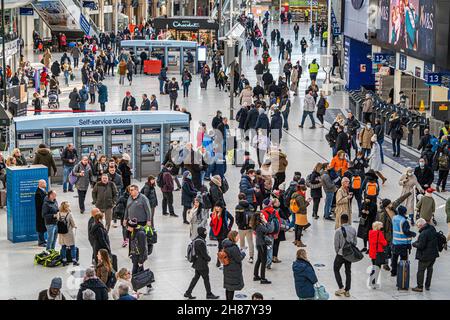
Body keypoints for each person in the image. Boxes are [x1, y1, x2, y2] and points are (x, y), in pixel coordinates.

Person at [184, 227, 220, 299]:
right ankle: (209, 294)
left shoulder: (197, 239)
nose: (206, 234)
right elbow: (204, 254)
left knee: (196, 278)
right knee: (206, 279)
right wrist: (209, 258)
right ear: (202, 233)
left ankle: (188, 292)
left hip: (197, 263)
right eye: (205, 232)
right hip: (202, 264)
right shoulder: (200, 242)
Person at [412, 218, 440, 292]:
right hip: (433, 254)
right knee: (430, 270)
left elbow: (421, 246)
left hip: (425, 256)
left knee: (421, 271)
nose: (418, 228)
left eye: (418, 226)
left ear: (421, 225)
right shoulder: (432, 228)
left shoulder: (424, 233)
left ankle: (419, 287)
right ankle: (427, 285)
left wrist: (414, 244)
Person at [127, 218, 152, 294]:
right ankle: (149, 286)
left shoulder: (140, 233)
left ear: (132, 227)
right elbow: (131, 244)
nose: (127, 228)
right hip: (134, 255)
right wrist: (130, 253)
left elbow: (143, 248)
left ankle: (134, 289)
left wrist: (141, 260)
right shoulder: (132, 232)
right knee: (141, 270)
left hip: (139, 256)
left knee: (134, 272)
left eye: (128, 227)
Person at [334, 214, 356, 297]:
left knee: (336, 269)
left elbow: (336, 244)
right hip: (349, 254)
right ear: (348, 220)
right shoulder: (353, 229)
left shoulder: (338, 231)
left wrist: (338, 252)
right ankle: (347, 290)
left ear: (341, 220)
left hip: (341, 254)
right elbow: (355, 242)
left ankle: (341, 287)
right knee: (348, 271)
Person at [390, 205, 416, 277]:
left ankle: (393, 272)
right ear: (404, 212)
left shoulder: (394, 218)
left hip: (395, 242)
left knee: (394, 258)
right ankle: (402, 272)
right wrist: (413, 234)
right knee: (403, 259)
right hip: (403, 243)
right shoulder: (404, 221)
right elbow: (406, 232)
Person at [251, 210, 274, 284]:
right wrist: (266, 221)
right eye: (262, 215)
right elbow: (269, 230)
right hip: (262, 245)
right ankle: (263, 279)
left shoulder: (257, 224)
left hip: (259, 244)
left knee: (259, 260)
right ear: (259, 218)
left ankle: (256, 276)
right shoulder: (260, 226)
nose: (263, 216)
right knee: (263, 262)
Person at [222, 230, 246, 300]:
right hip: (233, 270)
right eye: (237, 236)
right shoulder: (234, 247)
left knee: (228, 288)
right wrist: (243, 253)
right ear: (234, 237)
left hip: (227, 269)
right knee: (231, 289)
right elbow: (239, 258)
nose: (238, 238)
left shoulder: (226, 245)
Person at [210, 202, 234, 266]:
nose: (217, 208)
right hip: (218, 233)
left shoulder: (225, 213)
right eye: (216, 207)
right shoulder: (214, 213)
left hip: (224, 232)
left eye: (219, 207)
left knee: (224, 247)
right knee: (220, 247)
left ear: (221, 207)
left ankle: (223, 260)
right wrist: (212, 224)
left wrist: (229, 227)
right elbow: (211, 223)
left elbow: (232, 219)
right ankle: (220, 260)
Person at [235, 193, 255, 263]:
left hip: (241, 228)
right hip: (249, 227)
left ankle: (242, 254)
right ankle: (251, 257)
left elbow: (237, 217)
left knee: (242, 241)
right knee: (250, 242)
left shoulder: (238, 206)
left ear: (239, 198)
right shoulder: (251, 206)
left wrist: (238, 224)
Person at [57, 201, 78, 266]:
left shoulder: (58, 213)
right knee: (72, 246)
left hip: (61, 233)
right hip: (68, 233)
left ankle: (64, 260)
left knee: (63, 246)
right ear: (66, 207)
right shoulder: (69, 214)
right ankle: (74, 260)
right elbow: (73, 223)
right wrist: (75, 226)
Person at [367, 221, 387, 289]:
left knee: (374, 267)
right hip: (378, 253)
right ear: (378, 226)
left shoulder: (370, 233)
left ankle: (371, 282)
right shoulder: (379, 233)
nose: (382, 227)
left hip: (372, 253)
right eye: (381, 226)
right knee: (377, 269)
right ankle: (373, 283)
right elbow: (384, 243)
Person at [35, 180, 47, 247]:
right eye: (44, 183)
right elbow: (39, 204)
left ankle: (43, 240)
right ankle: (41, 242)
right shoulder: (38, 193)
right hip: (40, 213)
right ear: (40, 184)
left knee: (43, 227)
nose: (46, 184)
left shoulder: (43, 190)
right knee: (40, 228)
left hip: (43, 212)